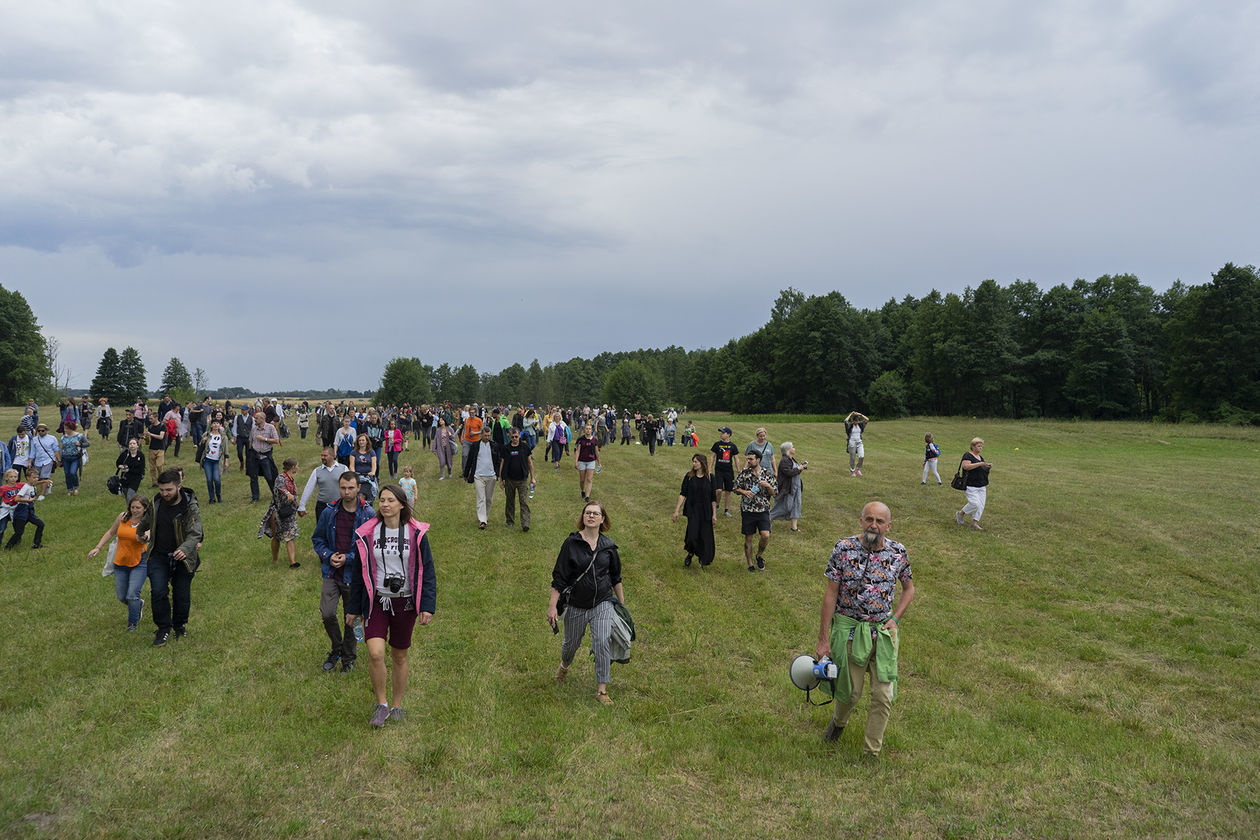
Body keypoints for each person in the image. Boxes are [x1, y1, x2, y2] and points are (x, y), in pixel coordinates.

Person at [816, 501, 915, 759]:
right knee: (850, 692)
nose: (874, 525)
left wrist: (895, 618)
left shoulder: (898, 552)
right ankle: (838, 723)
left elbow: (909, 589)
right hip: (851, 630)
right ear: (861, 521)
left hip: (883, 633)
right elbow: (831, 593)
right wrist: (823, 639)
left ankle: (871, 752)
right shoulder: (844, 548)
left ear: (888, 526)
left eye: (880, 521)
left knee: (884, 695)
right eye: (869, 519)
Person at [350, 484, 437, 727]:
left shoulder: (416, 533)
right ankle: (382, 704)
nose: (385, 504)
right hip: (377, 601)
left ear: (402, 504)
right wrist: (354, 608)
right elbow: (359, 573)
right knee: (375, 653)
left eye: (390, 500)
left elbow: (427, 571)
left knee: (399, 655)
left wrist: (427, 606)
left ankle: (397, 705)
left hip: (405, 604)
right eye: (382, 500)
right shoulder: (367, 533)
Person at [547, 501, 625, 706]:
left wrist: (621, 605)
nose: (591, 516)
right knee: (571, 645)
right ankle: (564, 667)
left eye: (595, 513)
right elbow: (559, 577)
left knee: (602, 641)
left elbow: (616, 578)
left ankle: (602, 690)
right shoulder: (571, 544)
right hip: (576, 605)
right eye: (587, 513)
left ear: (602, 519)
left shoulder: (608, 547)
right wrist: (552, 606)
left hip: (602, 603)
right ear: (583, 518)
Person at [312, 472, 375, 674]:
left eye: (351, 488)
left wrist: (348, 558)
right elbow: (318, 539)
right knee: (328, 613)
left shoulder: (368, 514)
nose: (347, 492)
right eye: (343, 488)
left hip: (354, 577)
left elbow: (370, 549)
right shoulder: (329, 512)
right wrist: (327, 555)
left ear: (358, 488)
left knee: (353, 618)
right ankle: (337, 648)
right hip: (331, 572)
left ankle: (349, 657)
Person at [140, 468, 203, 646]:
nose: (164, 493)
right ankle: (163, 628)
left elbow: (196, 533)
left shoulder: (190, 506)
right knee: (158, 591)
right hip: (158, 555)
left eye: (169, 490)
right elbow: (146, 520)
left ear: (179, 486)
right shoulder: (156, 502)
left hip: (183, 558)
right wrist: (140, 533)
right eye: (161, 490)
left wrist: (185, 549)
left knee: (181, 595)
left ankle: (179, 624)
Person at [87, 495, 152, 631]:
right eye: (132, 507)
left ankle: (132, 624)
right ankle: (138, 604)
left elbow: (147, 536)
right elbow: (111, 532)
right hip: (120, 562)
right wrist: (98, 547)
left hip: (139, 562)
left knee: (132, 594)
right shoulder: (123, 517)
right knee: (122, 596)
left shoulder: (147, 522)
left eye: (138, 508)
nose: (134, 510)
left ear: (145, 509)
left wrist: (143, 538)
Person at [733, 450, 777, 572]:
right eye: (748, 459)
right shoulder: (744, 473)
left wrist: (768, 486)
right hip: (748, 510)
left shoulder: (767, 474)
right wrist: (744, 492)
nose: (748, 461)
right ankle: (750, 564)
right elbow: (735, 488)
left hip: (763, 509)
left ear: (758, 460)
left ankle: (759, 555)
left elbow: (774, 493)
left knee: (765, 535)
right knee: (748, 538)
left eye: (751, 459)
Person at [672, 453, 718, 567]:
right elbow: (683, 494)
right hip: (693, 510)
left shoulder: (711, 478)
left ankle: (703, 558)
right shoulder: (689, 476)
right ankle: (691, 552)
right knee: (692, 535)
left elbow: (713, 498)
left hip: (706, 511)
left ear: (702, 464)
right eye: (693, 462)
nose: (694, 464)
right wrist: (677, 510)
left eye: (696, 462)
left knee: (705, 536)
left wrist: (714, 514)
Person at [259, 456, 301, 568]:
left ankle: (292, 562)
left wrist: (299, 508)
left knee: (290, 536)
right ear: (293, 467)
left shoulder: (292, 479)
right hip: (277, 512)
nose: (298, 467)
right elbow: (280, 487)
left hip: (289, 512)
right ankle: (275, 560)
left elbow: (294, 496)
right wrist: (287, 494)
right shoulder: (280, 478)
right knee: (276, 536)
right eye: (297, 465)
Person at [498, 426, 535, 532]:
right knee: (510, 500)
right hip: (509, 479)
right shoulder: (506, 448)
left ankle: (525, 523)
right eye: (513, 437)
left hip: (522, 479)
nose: (514, 439)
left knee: (523, 501)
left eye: (516, 437)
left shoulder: (524, 447)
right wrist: (501, 479)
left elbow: (530, 462)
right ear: (510, 436)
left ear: (519, 436)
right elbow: (502, 463)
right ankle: (510, 520)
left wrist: (533, 478)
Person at [298, 446, 348, 522]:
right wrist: (302, 506)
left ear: (333, 456)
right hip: (322, 506)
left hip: (339, 506)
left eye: (325, 455)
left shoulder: (343, 469)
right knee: (321, 531)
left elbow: (350, 486)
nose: (322, 457)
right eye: (321, 455)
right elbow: (309, 488)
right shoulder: (317, 471)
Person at [1, 467, 45, 550]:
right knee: (19, 532)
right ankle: (7, 547)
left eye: (37, 477)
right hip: (21, 511)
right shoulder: (25, 487)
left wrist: (46, 481)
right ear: (28, 478)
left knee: (41, 524)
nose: (36, 479)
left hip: (29, 511)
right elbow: (16, 499)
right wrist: (28, 500)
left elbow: (36, 483)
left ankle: (36, 544)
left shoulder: (32, 486)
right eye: (34, 478)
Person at [464, 426, 497, 530]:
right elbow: (469, 460)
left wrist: (500, 474)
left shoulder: (494, 445)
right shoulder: (475, 446)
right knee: (481, 498)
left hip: (491, 476)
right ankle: (482, 520)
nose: (487, 437)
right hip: (478, 476)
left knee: (488, 499)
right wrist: (466, 474)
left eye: (489, 435)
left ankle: (485, 516)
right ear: (481, 435)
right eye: (485, 435)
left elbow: (499, 460)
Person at [955, 437, 992, 530]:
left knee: (981, 505)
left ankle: (975, 523)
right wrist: (979, 464)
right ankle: (960, 513)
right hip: (971, 485)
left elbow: (981, 469)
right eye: (978, 446)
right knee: (975, 503)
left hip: (981, 485)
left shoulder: (980, 457)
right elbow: (966, 466)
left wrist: (987, 467)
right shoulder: (968, 455)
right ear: (972, 446)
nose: (980, 448)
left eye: (981, 446)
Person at [770, 441, 807, 532]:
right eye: (792, 447)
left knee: (796, 505)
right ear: (788, 450)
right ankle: (768, 518)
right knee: (786, 506)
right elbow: (789, 472)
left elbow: (794, 471)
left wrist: (801, 467)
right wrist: (799, 468)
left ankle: (794, 527)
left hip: (796, 487)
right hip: (788, 488)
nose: (794, 448)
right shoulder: (784, 460)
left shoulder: (791, 459)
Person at [248, 411, 281, 503]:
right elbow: (250, 441)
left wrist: (264, 439)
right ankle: (255, 497)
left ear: (262, 419)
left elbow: (276, 440)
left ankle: (276, 496)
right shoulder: (254, 429)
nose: (255, 419)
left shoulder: (270, 428)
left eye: (257, 418)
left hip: (265, 457)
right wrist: (250, 451)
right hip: (254, 456)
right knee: (253, 477)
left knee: (269, 477)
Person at [709, 426, 739, 517]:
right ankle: (717, 506)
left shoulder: (733, 446)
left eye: (723, 433)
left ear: (728, 435)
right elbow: (712, 457)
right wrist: (709, 469)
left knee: (728, 491)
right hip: (719, 470)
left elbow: (736, 459)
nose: (721, 434)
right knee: (718, 490)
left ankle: (726, 510)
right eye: (721, 432)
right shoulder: (717, 444)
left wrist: (739, 470)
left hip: (729, 471)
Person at [199, 419, 228, 503]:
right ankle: (212, 498)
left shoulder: (223, 436)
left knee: (217, 479)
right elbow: (201, 446)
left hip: (217, 461)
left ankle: (218, 494)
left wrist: (226, 461)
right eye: (214, 423)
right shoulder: (207, 434)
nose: (215, 425)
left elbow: (226, 450)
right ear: (211, 425)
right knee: (209, 480)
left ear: (220, 425)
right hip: (208, 460)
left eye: (217, 423)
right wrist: (203, 441)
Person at [30, 423, 61, 499]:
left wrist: (58, 460)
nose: (40, 432)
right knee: (37, 478)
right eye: (39, 431)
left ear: (46, 430)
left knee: (44, 477)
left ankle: (42, 494)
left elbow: (56, 450)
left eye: (42, 431)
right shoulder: (34, 440)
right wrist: (29, 461)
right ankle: (48, 485)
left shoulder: (52, 438)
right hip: (37, 461)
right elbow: (32, 452)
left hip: (48, 460)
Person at [59, 420, 89, 496]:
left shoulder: (79, 436)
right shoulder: (63, 437)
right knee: (67, 474)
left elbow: (87, 444)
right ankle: (69, 489)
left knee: (72, 473)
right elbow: (61, 448)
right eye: (65, 429)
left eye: (67, 429)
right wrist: (59, 458)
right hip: (65, 458)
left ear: (72, 428)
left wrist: (80, 444)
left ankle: (76, 487)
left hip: (75, 457)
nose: (65, 430)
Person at [574, 424, 601, 502]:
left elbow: (597, 452)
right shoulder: (580, 440)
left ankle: (587, 496)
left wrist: (599, 462)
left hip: (591, 461)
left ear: (591, 430)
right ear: (584, 430)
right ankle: (582, 490)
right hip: (581, 461)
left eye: (589, 429)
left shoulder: (594, 440)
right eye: (586, 429)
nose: (588, 430)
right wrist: (576, 461)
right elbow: (577, 451)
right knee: (582, 479)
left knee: (589, 479)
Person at [116, 436, 145, 502]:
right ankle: (130, 510)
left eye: (134, 443)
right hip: (125, 478)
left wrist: (129, 470)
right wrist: (122, 467)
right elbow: (118, 463)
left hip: (135, 478)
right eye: (130, 444)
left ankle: (132, 511)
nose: (132, 445)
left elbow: (141, 470)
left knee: (130, 496)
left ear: (137, 445)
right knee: (127, 498)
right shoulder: (125, 454)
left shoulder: (141, 455)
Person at [351, 434, 378, 503]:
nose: (361, 442)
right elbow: (351, 465)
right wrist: (353, 473)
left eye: (363, 440)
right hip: (358, 476)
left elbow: (374, 464)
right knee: (358, 496)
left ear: (366, 442)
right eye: (359, 440)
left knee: (368, 495)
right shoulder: (354, 452)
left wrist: (373, 472)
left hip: (368, 477)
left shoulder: (371, 452)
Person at [431, 415, 457, 480]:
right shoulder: (438, 430)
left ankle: (449, 473)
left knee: (449, 463)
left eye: (441, 420)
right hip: (440, 448)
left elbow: (454, 438)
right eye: (439, 420)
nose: (440, 421)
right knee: (442, 462)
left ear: (445, 421)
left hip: (449, 448)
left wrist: (450, 435)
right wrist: (433, 449)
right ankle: (442, 475)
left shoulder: (450, 429)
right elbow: (435, 440)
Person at [145, 413, 167, 486]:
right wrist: (146, 437)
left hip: (160, 448)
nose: (150, 420)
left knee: (159, 465)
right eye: (149, 418)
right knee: (152, 467)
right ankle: (154, 482)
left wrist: (151, 434)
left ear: (156, 417)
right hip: (152, 448)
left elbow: (161, 437)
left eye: (151, 418)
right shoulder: (150, 427)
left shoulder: (162, 426)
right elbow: (148, 440)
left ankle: (161, 480)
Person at [844, 411, 868, 477]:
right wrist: (851, 414)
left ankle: (858, 469)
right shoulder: (850, 425)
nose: (856, 422)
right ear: (853, 421)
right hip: (851, 443)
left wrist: (860, 414)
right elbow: (845, 420)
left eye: (857, 421)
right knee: (853, 458)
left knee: (861, 456)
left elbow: (867, 419)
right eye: (855, 421)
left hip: (859, 442)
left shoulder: (860, 425)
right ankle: (852, 471)